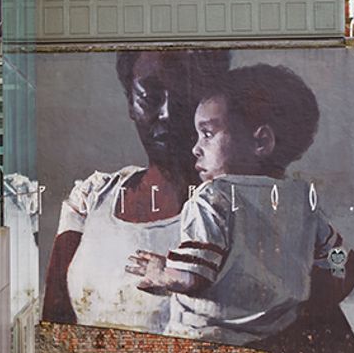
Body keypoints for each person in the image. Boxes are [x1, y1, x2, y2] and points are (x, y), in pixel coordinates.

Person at [124, 64, 354, 353]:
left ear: (261, 142)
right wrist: (311, 301)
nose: (196, 148)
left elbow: (190, 277)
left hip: (209, 345)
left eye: (207, 134)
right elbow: (346, 264)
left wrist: (160, 272)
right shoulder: (302, 201)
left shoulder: (213, 199)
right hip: (279, 337)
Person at [42, 50, 229, 331]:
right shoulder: (91, 199)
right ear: (131, 102)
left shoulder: (237, 207)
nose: (167, 114)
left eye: (184, 96)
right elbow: (55, 322)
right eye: (150, 97)